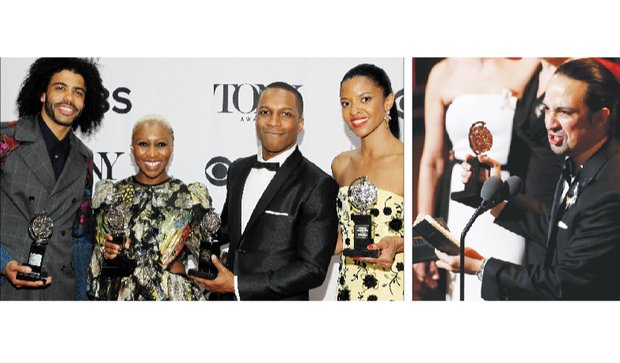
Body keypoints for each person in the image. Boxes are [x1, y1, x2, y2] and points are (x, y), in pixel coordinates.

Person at [436, 58, 620, 300]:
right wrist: (495, 198)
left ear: (600, 118)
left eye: (564, 112)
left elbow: (563, 284)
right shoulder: (578, 158)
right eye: (547, 109)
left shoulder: (609, 192)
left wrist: (481, 267)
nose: (550, 124)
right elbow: (556, 228)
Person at [190, 82, 339, 300]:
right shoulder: (237, 169)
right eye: (265, 112)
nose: (273, 122)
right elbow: (228, 231)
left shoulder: (317, 184)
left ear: (300, 124)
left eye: (285, 114)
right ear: (256, 118)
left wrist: (237, 285)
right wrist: (187, 226)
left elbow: (312, 269)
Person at [415, 58, 540, 300]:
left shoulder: (526, 65)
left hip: (507, 200)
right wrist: (423, 238)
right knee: (460, 288)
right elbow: (432, 161)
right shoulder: (441, 73)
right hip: (459, 199)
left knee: (507, 286)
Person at [0, 58, 105, 300]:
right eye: (60, 88)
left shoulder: (84, 158)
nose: (69, 98)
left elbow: (80, 238)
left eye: (77, 92)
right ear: (42, 94)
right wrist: (3, 262)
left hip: (59, 291)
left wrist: (80, 298)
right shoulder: (7, 140)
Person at [87, 115, 210, 300]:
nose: (152, 153)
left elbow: (206, 258)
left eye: (161, 144)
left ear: (172, 149)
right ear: (132, 148)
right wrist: (108, 251)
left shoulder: (189, 196)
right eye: (143, 144)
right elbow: (99, 257)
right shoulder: (111, 194)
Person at [332, 64, 404, 301]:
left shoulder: (408, 161)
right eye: (346, 103)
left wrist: (398, 244)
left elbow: (435, 233)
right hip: (348, 289)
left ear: (388, 101)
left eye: (364, 99)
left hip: (395, 289)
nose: (354, 110)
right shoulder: (340, 164)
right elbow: (339, 240)